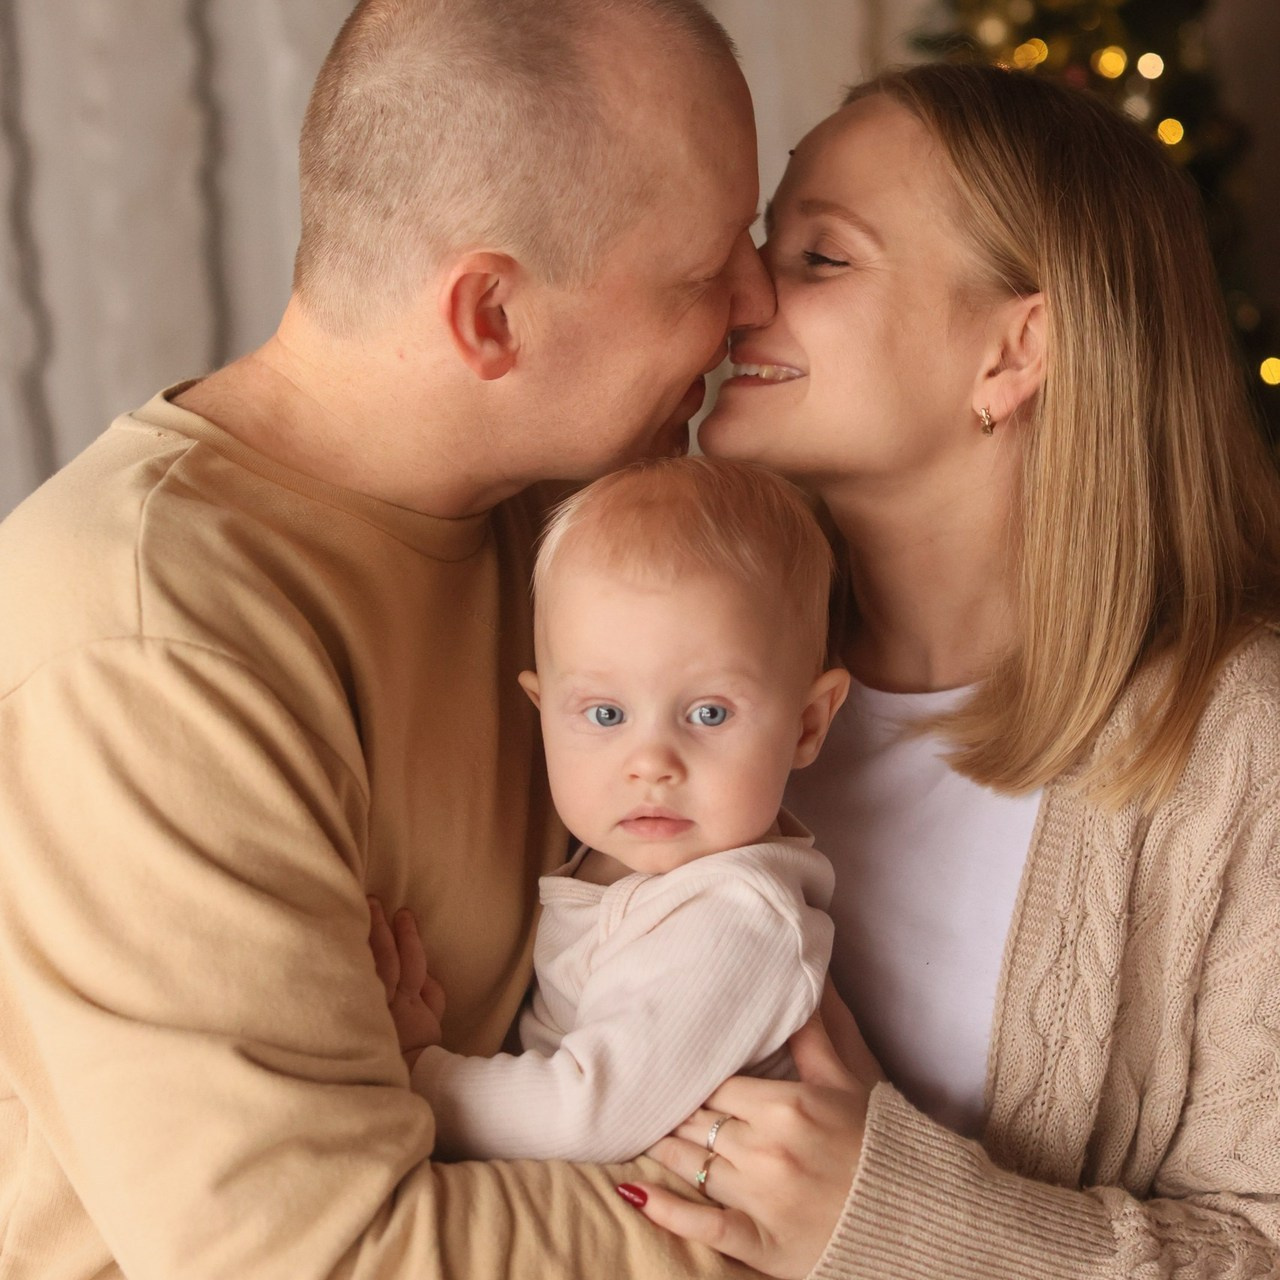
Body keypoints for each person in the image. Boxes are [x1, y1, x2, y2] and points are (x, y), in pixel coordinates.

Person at [0, 1, 776, 1277]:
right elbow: (323, 1255)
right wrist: (807, 1218)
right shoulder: (148, 639)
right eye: (701, 275)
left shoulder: (586, 524)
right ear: (490, 315)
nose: (756, 303)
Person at [620, 64, 1280, 1279]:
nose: (740, 290)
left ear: (1012, 350)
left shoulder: (1241, 749)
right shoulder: (671, 651)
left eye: (821, 257)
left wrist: (895, 1219)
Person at [367, 457, 850, 1164]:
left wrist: (418, 1071)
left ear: (807, 724)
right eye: (605, 713)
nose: (650, 762)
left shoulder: (739, 920)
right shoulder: (616, 864)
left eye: (710, 713)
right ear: (543, 714)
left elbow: (583, 1120)